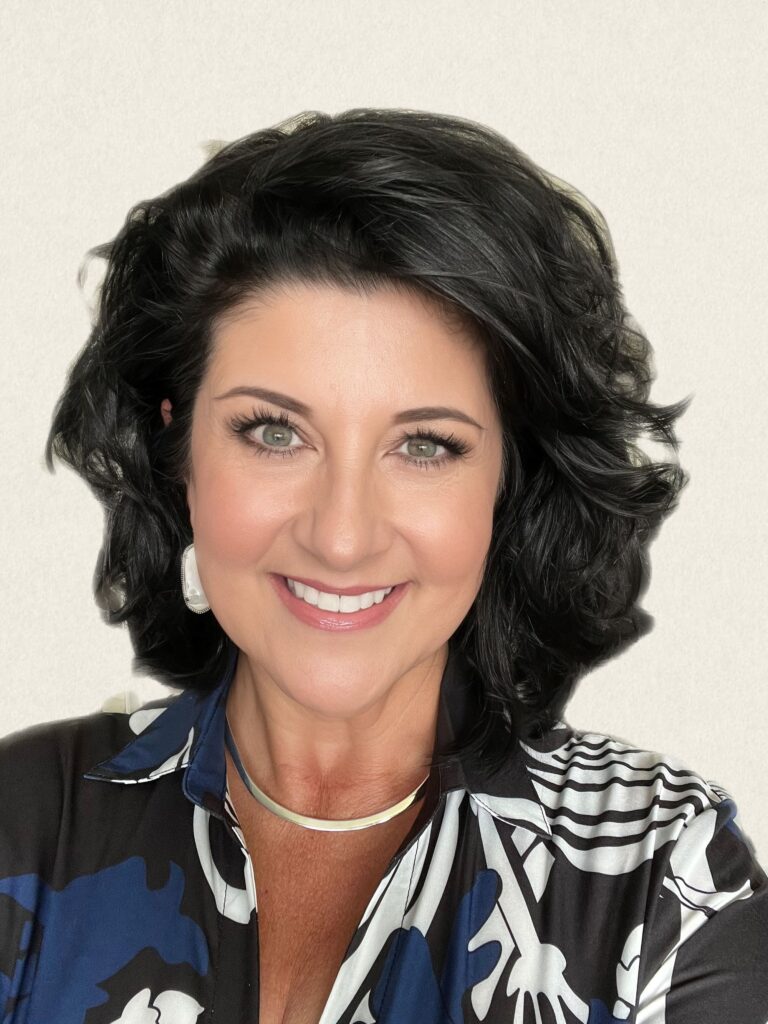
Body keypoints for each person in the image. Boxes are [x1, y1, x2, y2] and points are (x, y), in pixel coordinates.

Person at [1, 107, 765, 1024]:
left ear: (509, 480)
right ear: (180, 454)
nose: (342, 536)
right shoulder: (23, 827)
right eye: (274, 433)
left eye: (425, 446)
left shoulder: (656, 882)